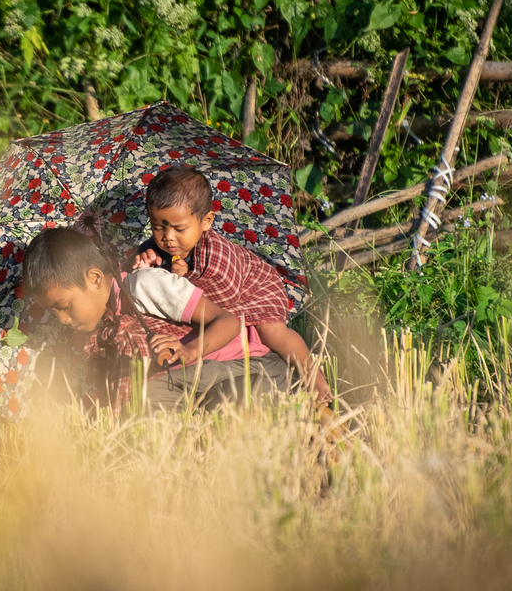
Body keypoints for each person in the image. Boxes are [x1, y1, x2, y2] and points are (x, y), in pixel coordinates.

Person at [22, 227, 290, 412]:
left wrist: (189, 349)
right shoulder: (109, 322)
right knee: (146, 404)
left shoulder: (142, 285)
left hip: (242, 364)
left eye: (65, 306)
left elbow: (229, 321)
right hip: (197, 373)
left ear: (94, 278)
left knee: (201, 406)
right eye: (54, 313)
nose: (63, 319)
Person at [132, 166, 333, 404]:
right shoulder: (154, 247)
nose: (168, 237)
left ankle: (313, 373)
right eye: (158, 227)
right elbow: (170, 289)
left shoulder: (217, 253)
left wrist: (184, 279)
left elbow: (218, 301)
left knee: (272, 333)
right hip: (225, 293)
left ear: (206, 221)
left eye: (179, 228)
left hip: (255, 286)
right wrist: (147, 263)